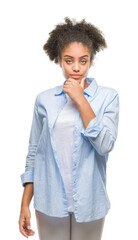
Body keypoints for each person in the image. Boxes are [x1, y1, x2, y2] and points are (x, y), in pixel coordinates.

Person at [18, 17, 119, 240]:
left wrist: (80, 99)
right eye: (68, 60)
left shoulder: (107, 97)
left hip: (91, 202)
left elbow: (105, 146)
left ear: (91, 61)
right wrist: (25, 204)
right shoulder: (44, 99)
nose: (76, 68)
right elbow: (34, 153)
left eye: (83, 61)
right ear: (59, 61)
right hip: (49, 202)